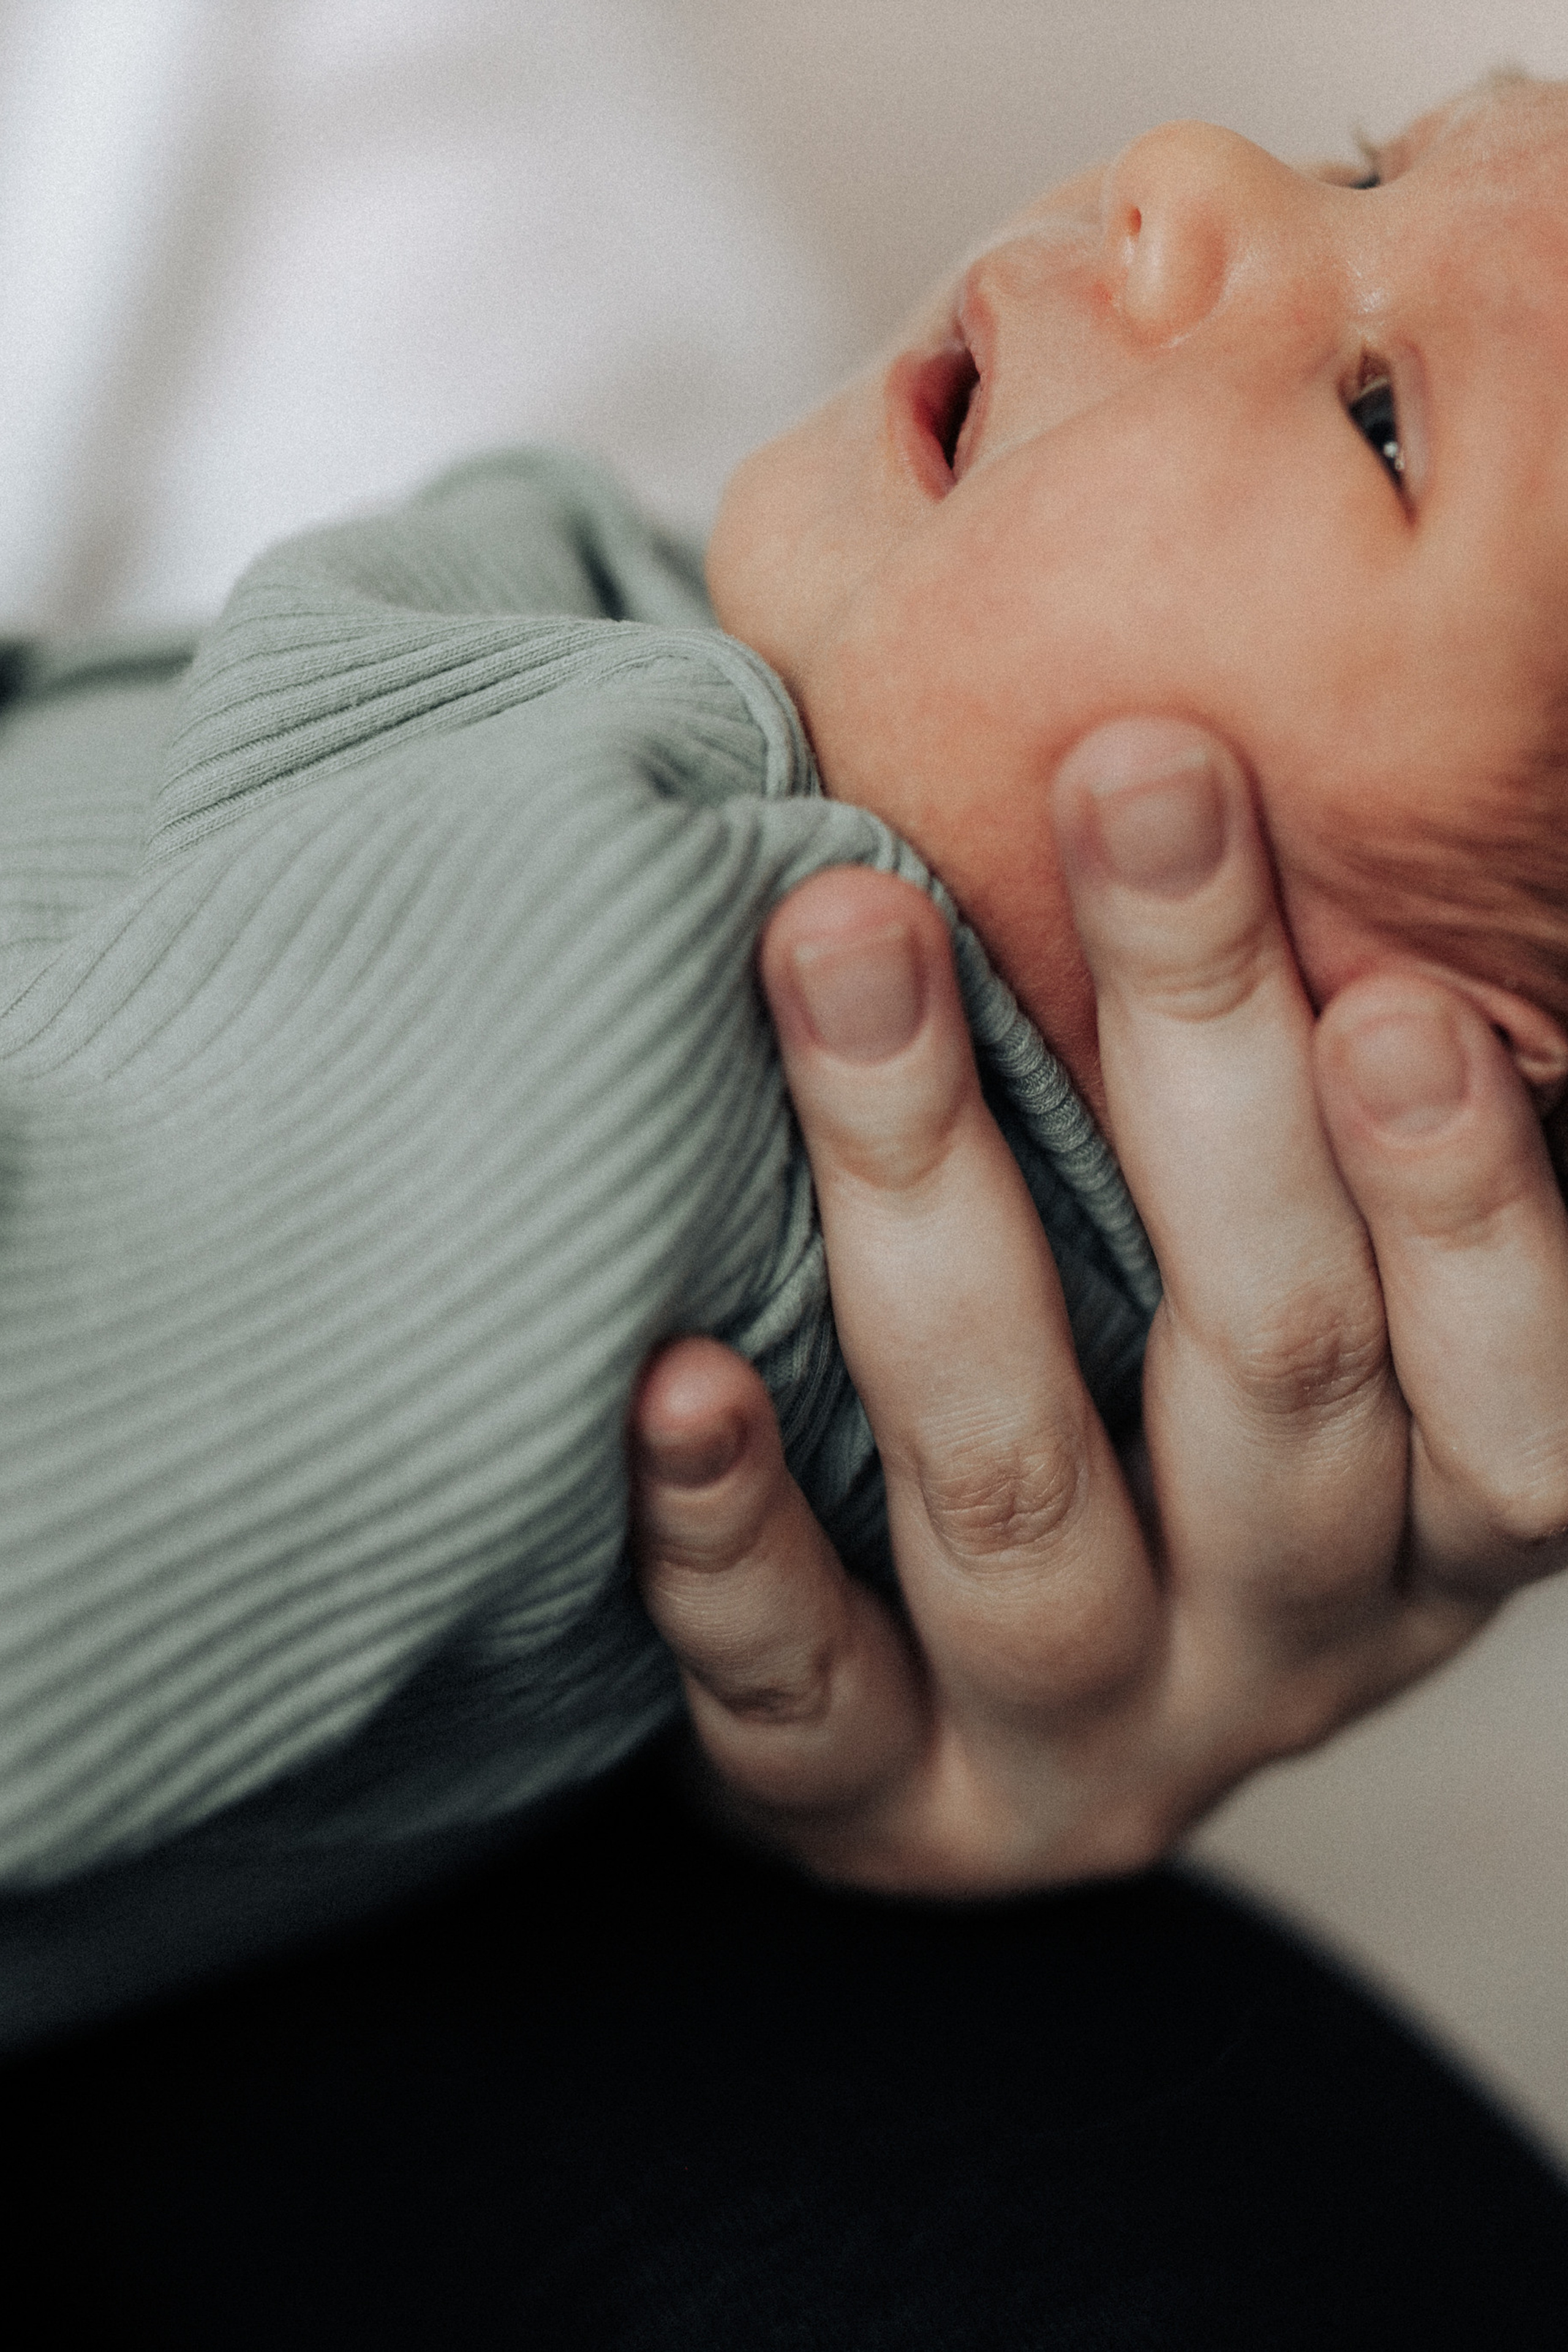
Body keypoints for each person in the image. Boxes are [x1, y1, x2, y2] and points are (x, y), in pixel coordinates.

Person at [2, 74, 1568, 2026]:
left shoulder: (613, 1027)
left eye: (1385, 422)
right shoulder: (682, 719)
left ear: (1423, 1077)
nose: (1192, 176)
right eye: (1365, 161)